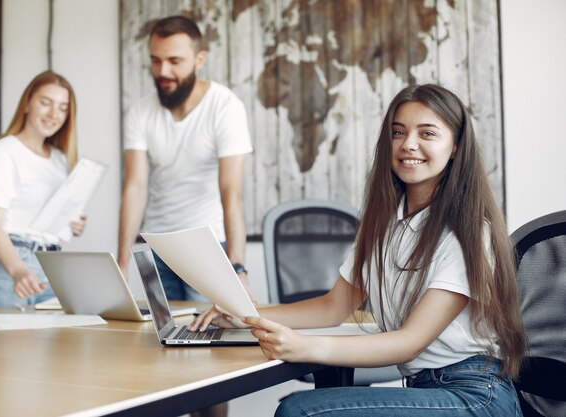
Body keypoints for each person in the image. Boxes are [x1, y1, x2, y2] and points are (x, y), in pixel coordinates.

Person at [192, 84, 525, 417]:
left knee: (301, 411)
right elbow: (333, 307)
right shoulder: (383, 225)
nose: (409, 144)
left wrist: (304, 346)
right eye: (398, 132)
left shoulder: (467, 232)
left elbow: (410, 341)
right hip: (428, 388)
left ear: (455, 147)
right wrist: (246, 315)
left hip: (477, 395)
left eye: (427, 133)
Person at [117, 15, 253, 302]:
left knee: (209, 335)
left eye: (174, 61)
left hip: (206, 245)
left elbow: (231, 193)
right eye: (155, 60)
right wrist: (122, 262)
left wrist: (237, 266)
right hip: (155, 245)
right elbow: (135, 188)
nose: (162, 71)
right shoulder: (139, 112)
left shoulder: (225, 107)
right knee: (164, 338)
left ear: (199, 59)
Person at [0, 70, 87, 309]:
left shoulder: (59, 160)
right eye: (45, 103)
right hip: (11, 267)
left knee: (47, 346)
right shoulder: (3, 153)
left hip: (51, 268)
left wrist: (72, 223)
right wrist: (18, 271)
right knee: (2, 347)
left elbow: (45, 217)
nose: (54, 114)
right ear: (27, 104)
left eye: (63, 107)